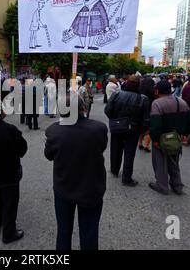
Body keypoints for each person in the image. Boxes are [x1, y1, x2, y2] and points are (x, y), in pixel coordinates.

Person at [45, 96, 108, 250]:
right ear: (83, 109)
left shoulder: (53, 130)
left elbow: (49, 155)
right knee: (89, 232)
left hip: (63, 187)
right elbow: (102, 147)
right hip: (91, 187)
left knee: (64, 230)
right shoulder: (99, 128)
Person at [0, 99, 28, 244]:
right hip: (9, 173)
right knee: (10, 203)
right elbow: (22, 149)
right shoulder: (10, 129)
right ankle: (8, 233)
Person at [149, 80, 190, 195]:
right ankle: (177, 186)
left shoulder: (157, 103)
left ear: (157, 90)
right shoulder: (181, 102)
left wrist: (155, 139)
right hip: (176, 137)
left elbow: (155, 124)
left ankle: (162, 186)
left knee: (160, 163)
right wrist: (185, 134)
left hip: (162, 138)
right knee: (174, 162)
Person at [104, 76, 150, 187]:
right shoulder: (143, 98)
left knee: (116, 148)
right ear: (139, 85)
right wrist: (141, 131)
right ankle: (126, 178)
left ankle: (114, 170)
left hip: (117, 127)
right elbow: (146, 119)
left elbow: (108, 110)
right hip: (133, 130)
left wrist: (115, 119)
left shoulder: (117, 94)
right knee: (129, 153)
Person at [138, 75, 155, 152]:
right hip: (150, 112)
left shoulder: (139, 90)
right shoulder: (153, 92)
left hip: (141, 112)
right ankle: (147, 146)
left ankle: (140, 143)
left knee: (141, 129)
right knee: (149, 130)